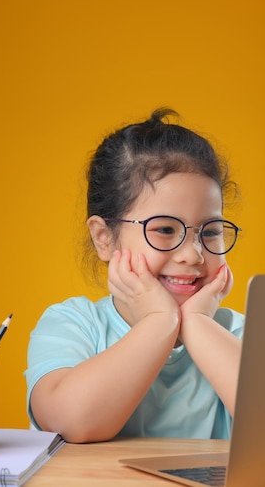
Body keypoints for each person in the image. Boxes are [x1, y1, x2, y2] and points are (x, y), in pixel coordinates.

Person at [25, 108, 244, 443]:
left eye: (210, 231)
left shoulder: (245, 337)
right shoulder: (73, 325)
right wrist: (160, 321)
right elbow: (72, 422)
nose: (193, 254)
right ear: (104, 237)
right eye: (165, 229)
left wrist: (198, 324)